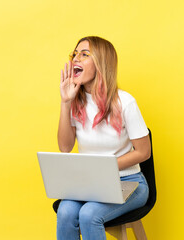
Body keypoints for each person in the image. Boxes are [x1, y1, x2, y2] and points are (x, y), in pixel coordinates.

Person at [57, 36, 151, 240]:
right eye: (75, 54)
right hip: (90, 184)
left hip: (130, 182)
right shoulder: (75, 101)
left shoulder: (125, 101)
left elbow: (144, 152)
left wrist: (105, 167)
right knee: (65, 212)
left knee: (89, 215)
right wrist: (65, 103)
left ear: (101, 63)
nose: (76, 59)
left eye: (84, 54)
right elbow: (65, 147)